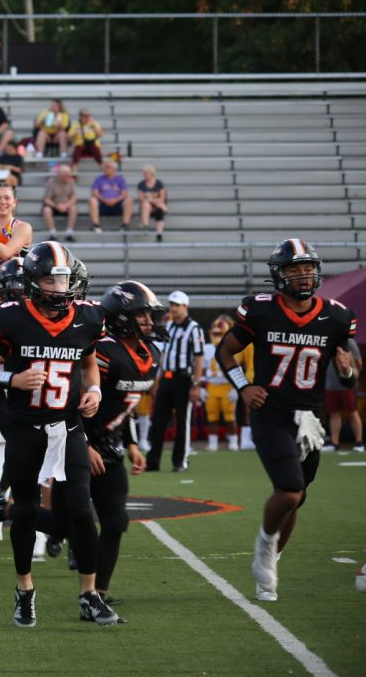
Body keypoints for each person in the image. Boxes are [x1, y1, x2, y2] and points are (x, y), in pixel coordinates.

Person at [0, 240, 119, 628]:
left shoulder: (88, 317)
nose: (58, 287)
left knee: (83, 510)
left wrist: (95, 391)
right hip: (25, 427)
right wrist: (15, 378)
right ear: (33, 282)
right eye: (51, 280)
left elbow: (89, 365)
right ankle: (25, 590)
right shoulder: (10, 316)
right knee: (23, 510)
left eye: (62, 279)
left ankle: (89, 595)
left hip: (68, 424)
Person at [216, 239, 357, 602]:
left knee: (297, 496)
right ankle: (265, 545)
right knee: (290, 488)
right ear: (279, 275)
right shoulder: (261, 311)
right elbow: (226, 351)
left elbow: (351, 372)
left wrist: (348, 374)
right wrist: (245, 387)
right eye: (294, 269)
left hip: (310, 418)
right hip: (270, 413)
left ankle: (273, 557)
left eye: (307, 267)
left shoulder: (337, 316)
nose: (303, 275)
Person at [84, 281, 163, 603]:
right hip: (78, 440)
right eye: (142, 315)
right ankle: (5, 510)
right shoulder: (103, 350)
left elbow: (125, 403)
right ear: (121, 318)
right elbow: (75, 401)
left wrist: (130, 443)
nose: (149, 322)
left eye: (150, 316)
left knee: (116, 521)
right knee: (65, 524)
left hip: (110, 445)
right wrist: (83, 445)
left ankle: (98, 593)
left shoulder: (151, 354)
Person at [146, 290, 205, 472]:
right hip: (167, 378)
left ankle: (180, 461)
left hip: (184, 379)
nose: (173, 308)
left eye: (177, 305)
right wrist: (157, 380)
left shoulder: (194, 328)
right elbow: (163, 354)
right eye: (172, 304)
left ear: (185, 306)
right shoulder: (169, 326)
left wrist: (196, 384)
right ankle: (153, 461)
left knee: (182, 421)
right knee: (158, 421)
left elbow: (199, 358)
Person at [202, 315, 243, 451]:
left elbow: (237, 368)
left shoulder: (233, 347)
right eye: (216, 333)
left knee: (230, 416)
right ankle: (213, 442)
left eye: (221, 333)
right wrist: (202, 387)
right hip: (212, 386)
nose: (217, 335)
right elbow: (203, 369)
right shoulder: (207, 349)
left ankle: (233, 441)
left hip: (227, 385)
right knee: (212, 416)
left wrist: (235, 388)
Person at [325, 338, 362, 451]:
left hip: (347, 385)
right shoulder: (326, 340)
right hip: (330, 384)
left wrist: (352, 377)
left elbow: (359, 362)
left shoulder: (349, 342)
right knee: (334, 414)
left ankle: (359, 443)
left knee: (352, 413)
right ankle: (334, 443)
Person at [89, 160, 133, 232]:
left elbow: (124, 194)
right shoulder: (98, 179)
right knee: (92, 200)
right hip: (102, 204)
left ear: (114, 169)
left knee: (129, 199)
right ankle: (96, 225)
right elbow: (94, 193)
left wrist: (115, 200)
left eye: (107, 167)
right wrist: (104, 199)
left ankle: (125, 225)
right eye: (105, 167)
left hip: (117, 204)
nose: (105, 169)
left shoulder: (120, 179)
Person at [41, 164, 78, 242]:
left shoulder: (71, 181)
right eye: (65, 175)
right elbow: (47, 199)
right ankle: (52, 233)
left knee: (74, 208)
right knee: (46, 210)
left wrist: (66, 205)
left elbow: (74, 197)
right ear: (59, 175)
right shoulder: (51, 182)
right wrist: (56, 206)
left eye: (69, 174)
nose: (68, 176)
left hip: (67, 206)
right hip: (54, 206)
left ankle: (69, 232)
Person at [137, 166, 168, 242]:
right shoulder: (141, 184)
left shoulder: (159, 183)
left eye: (146, 173)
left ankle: (159, 233)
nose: (145, 175)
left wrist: (151, 200)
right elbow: (141, 198)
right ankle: (146, 226)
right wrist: (150, 201)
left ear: (152, 174)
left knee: (159, 210)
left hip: (158, 205)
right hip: (147, 207)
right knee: (145, 204)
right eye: (144, 173)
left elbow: (162, 198)